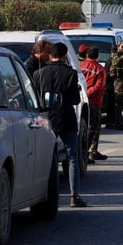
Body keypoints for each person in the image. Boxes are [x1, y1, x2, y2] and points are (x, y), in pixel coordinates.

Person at [33, 42, 87, 208]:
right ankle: (74, 196)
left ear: (50, 55)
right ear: (64, 56)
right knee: (72, 158)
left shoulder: (37, 74)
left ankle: (44, 194)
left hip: (45, 119)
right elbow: (75, 100)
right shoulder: (70, 73)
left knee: (46, 158)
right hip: (66, 118)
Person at [81, 46, 108, 163]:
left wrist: (83, 94)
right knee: (93, 128)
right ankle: (85, 153)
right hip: (93, 101)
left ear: (87, 55)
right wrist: (88, 94)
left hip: (81, 100)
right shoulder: (100, 69)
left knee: (87, 127)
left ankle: (92, 151)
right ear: (97, 56)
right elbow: (99, 86)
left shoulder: (80, 66)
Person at [107, 42, 123, 130]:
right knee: (118, 104)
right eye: (122, 47)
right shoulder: (116, 56)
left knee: (122, 104)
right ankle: (117, 123)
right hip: (118, 84)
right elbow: (114, 62)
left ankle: (119, 122)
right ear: (118, 47)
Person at [103, 44, 118, 126]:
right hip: (110, 85)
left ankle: (111, 122)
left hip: (112, 85)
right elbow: (107, 74)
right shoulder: (110, 61)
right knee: (111, 105)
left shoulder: (110, 60)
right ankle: (109, 122)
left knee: (112, 105)